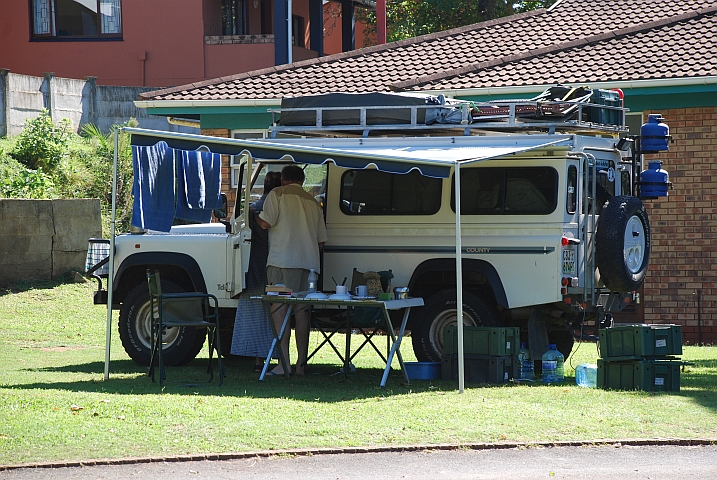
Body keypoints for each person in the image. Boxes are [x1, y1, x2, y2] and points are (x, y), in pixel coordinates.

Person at [255, 165, 328, 376]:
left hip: (281, 262)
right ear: (302, 181)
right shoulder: (313, 202)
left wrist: (255, 218)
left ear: (283, 180)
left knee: (279, 312)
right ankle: (301, 366)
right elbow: (321, 241)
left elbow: (266, 224)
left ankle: (283, 364)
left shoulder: (277, 194)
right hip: (309, 265)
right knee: (302, 313)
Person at [230, 171, 282, 372]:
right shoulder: (279, 207)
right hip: (274, 264)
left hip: (255, 266)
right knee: (276, 313)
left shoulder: (254, 209)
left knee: (256, 314)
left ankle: (259, 360)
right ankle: (277, 357)